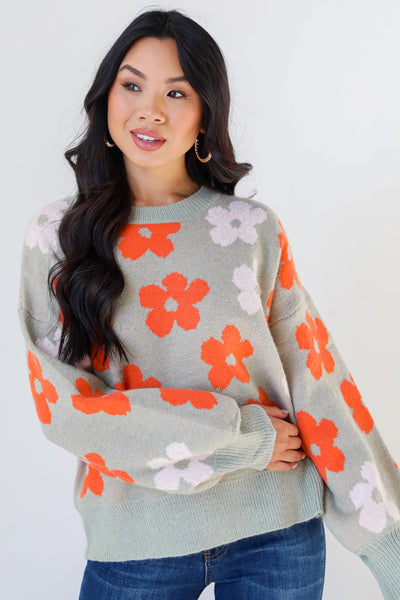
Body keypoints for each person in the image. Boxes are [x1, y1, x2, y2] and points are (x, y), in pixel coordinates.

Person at [18, 7, 400, 600]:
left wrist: (388, 542)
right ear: (106, 98)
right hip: (136, 536)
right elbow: (65, 410)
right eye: (132, 85)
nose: (151, 109)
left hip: (277, 530)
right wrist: (241, 437)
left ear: (204, 116)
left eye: (177, 92)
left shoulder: (249, 230)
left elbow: (319, 384)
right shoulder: (58, 237)